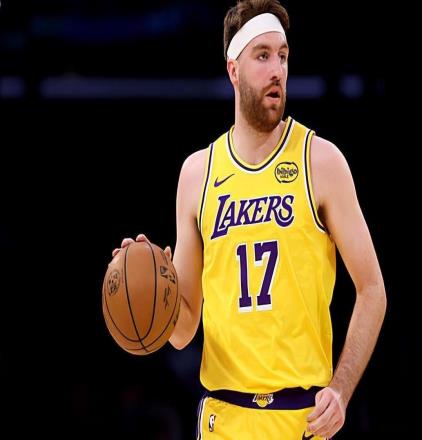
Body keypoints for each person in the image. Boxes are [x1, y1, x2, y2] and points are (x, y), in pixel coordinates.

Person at [113, 1, 386, 438]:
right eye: (262, 55)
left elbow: (372, 289)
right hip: (224, 418)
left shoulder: (321, 161)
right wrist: (151, 284)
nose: (277, 70)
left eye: (283, 56)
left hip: (303, 417)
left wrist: (341, 389)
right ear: (233, 70)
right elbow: (182, 330)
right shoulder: (197, 174)